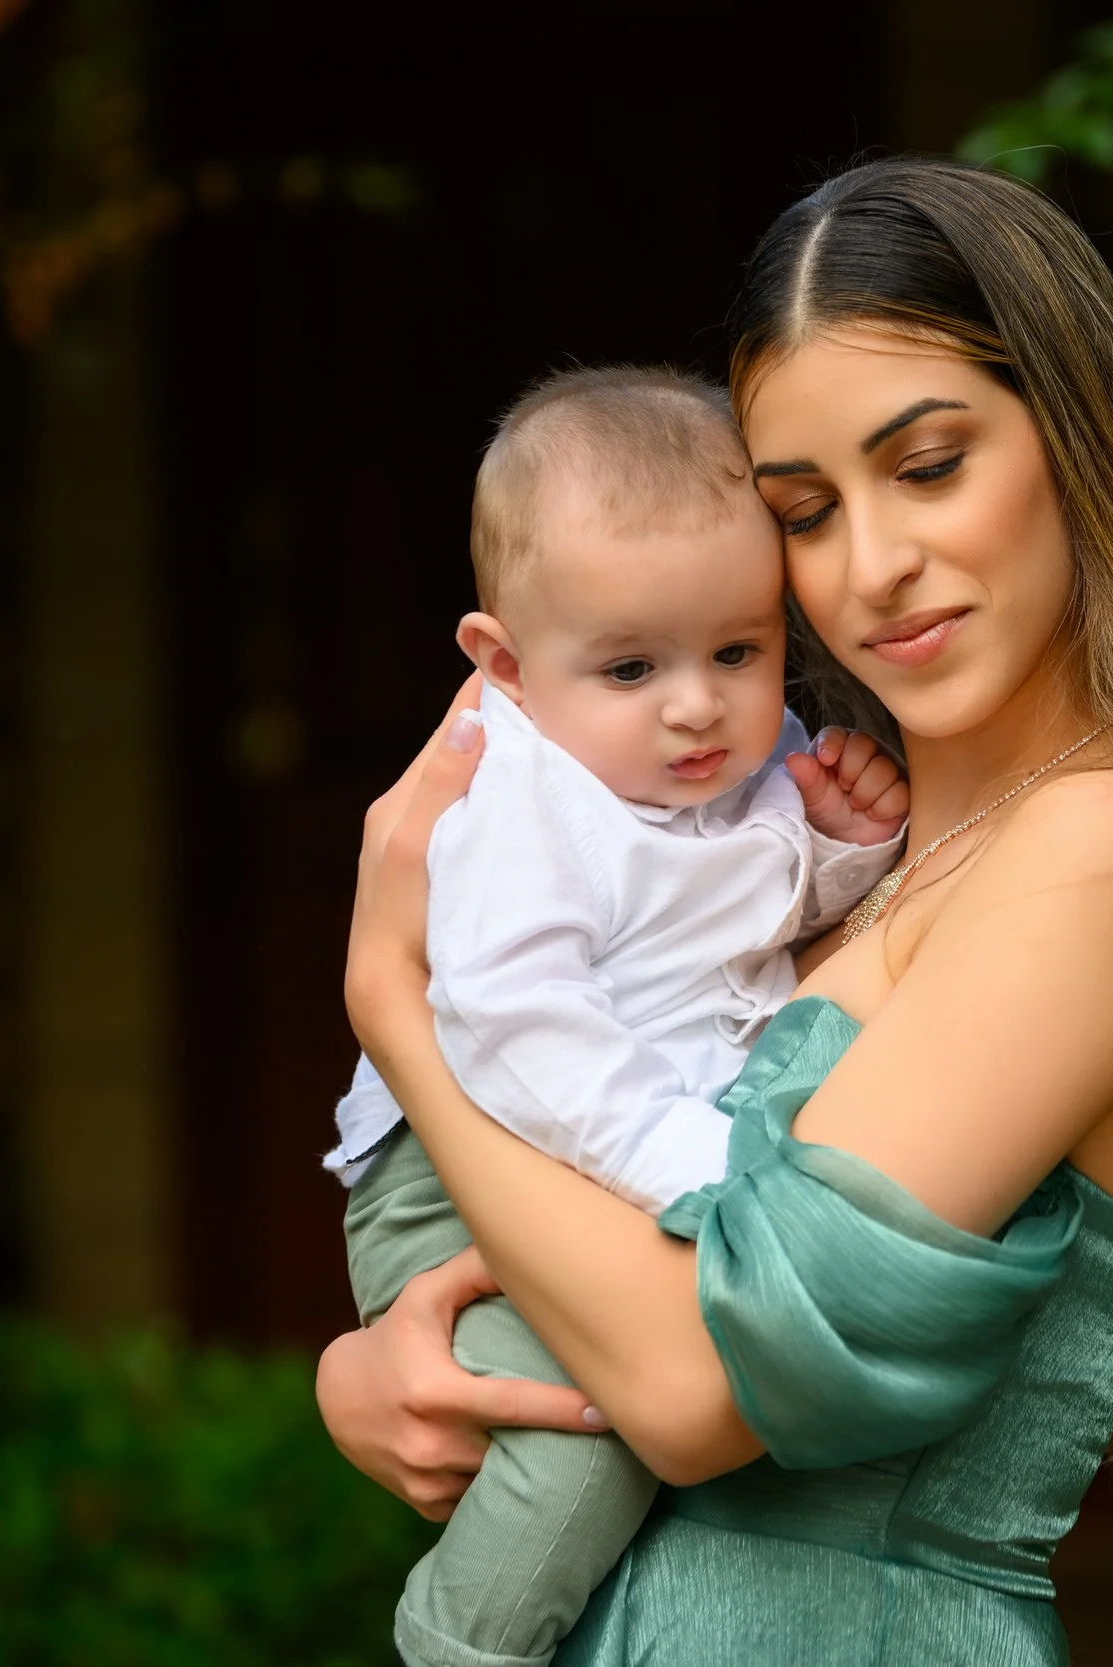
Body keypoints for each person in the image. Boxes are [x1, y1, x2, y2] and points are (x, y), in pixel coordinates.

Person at [319, 155, 1113, 1666]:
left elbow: (697, 1385)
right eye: (804, 509)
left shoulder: (1112, 847)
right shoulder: (827, 849)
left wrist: (396, 998)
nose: (874, 566)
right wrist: (382, 1361)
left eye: (928, 466)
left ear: (1079, 439)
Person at [320, 366, 908, 1667]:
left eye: (738, 651)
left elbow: (752, 918)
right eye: (634, 664)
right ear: (506, 666)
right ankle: (457, 1643)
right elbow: (520, 1026)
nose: (697, 703)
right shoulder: (521, 802)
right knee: (585, 1432)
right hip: (462, 1169)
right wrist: (685, 1171)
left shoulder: (735, 765)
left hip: (604, 1151)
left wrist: (844, 846)